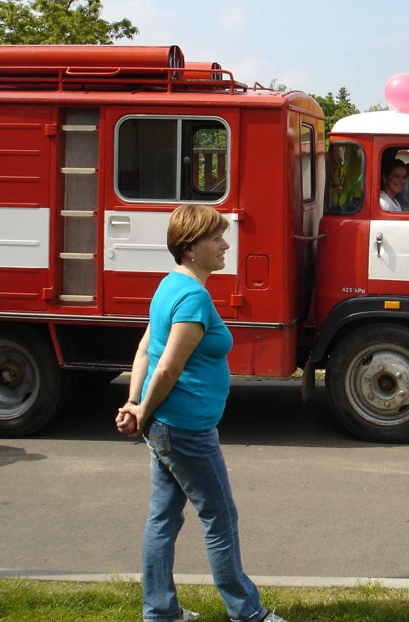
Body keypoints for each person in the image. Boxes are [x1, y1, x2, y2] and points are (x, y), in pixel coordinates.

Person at [116, 204, 288, 622]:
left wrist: (135, 403)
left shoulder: (169, 285)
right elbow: (167, 366)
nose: (226, 245)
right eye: (216, 238)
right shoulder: (192, 296)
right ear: (190, 248)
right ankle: (247, 612)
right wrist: (140, 408)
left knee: (163, 519)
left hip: (166, 426)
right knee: (220, 517)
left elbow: (145, 348)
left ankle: (160, 611)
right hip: (186, 429)